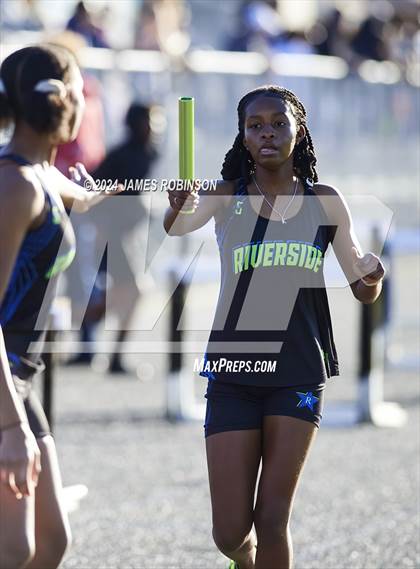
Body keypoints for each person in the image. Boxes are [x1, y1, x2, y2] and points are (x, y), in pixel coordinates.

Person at [163, 85, 386, 569]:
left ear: (297, 129)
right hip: (233, 371)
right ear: (242, 137)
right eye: (255, 125)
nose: (267, 133)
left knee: (272, 520)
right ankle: (242, 561)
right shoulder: (227, 196)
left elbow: (361, 287)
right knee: (229, 533)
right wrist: (177, 203)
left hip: (298, 373)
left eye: (278, 123)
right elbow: (179, 225)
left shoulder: (324, 200)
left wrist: (371, 274)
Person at [0, 44, 121, 568]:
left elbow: (61, 192)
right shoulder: (15, 185)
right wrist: (9, 429)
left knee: (50, 543)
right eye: (81, 89)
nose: (86, 104)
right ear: (61, 101)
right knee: (14, 548)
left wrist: (89, 197)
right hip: (3, 381)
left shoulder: (41, 175)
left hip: (19, 378)